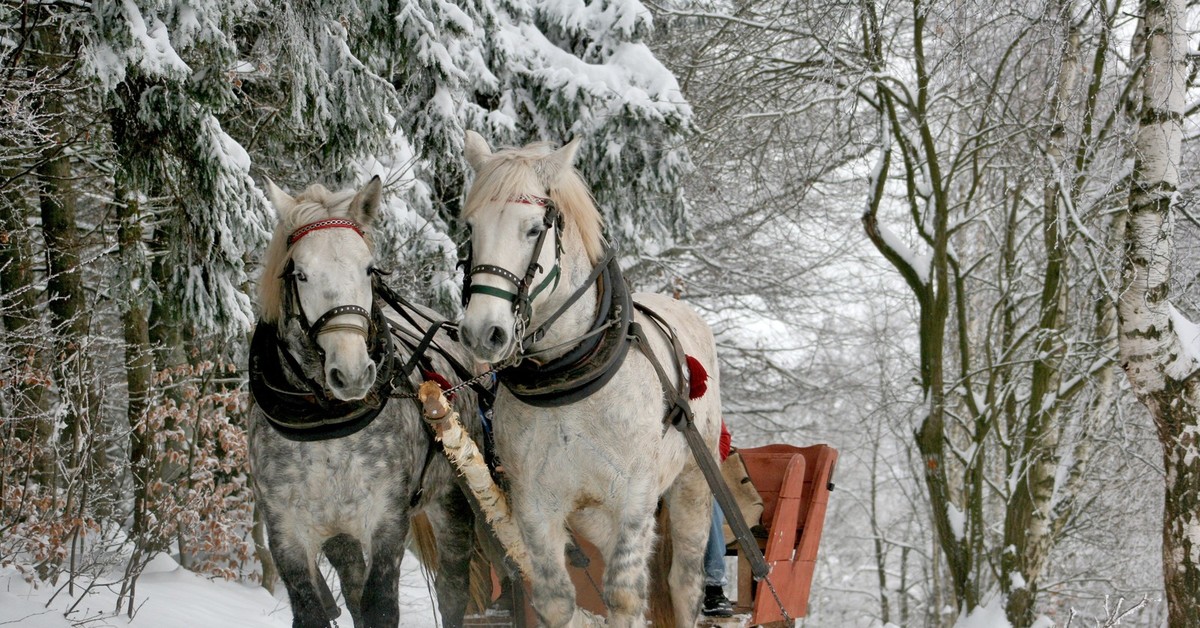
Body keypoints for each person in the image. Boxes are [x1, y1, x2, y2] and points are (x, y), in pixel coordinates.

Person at [702, 421, 734, 617]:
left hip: (692, 473)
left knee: (709, 504)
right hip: (650, 474)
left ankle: (713, 588)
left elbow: (722, 438)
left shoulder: (702, 399)